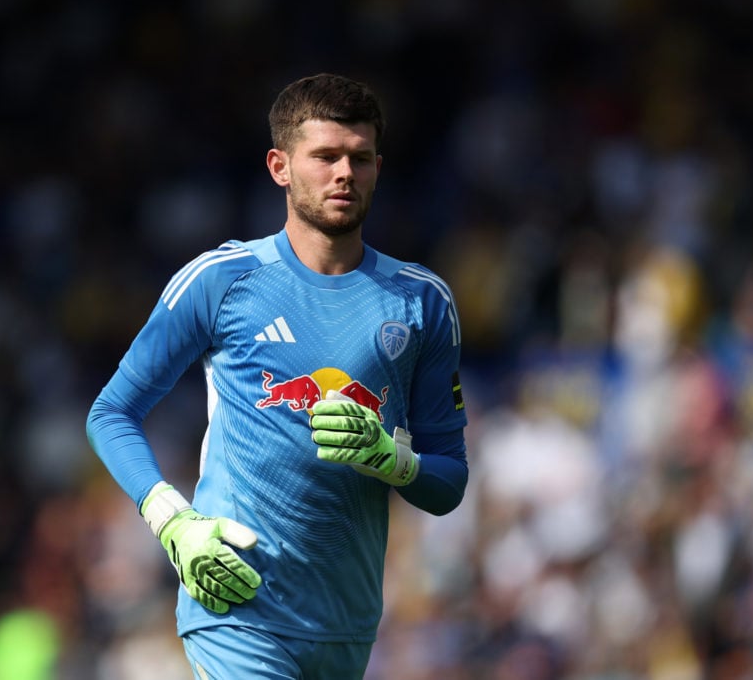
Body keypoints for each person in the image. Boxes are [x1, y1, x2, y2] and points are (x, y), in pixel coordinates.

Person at [86, 72, 468, 679]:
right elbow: (111, 413)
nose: (344, 173)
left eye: (360, 158)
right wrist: (172, 520)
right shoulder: (221, 280)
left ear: (377, 168)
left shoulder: (421, 301)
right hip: (237, 604)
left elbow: (448, 481)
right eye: (325, 156)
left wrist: (392, 460)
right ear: (279, 167)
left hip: (346, 624)